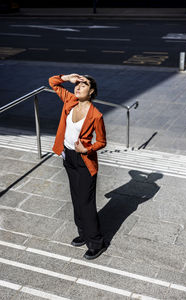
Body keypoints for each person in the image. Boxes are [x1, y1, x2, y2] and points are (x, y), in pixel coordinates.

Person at [49, 73, 107, 260]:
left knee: (86, 202)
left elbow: (102, 141)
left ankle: (97, 243)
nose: (79, 87)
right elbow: (53, 82)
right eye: (79, 84)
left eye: (84, 85)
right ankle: (83, 233)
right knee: (75, 197)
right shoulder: (70, 101)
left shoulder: (96, 115)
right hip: (68, 156)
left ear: (91, 92)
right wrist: (67, 77)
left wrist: (87, 148)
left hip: (84, 161)